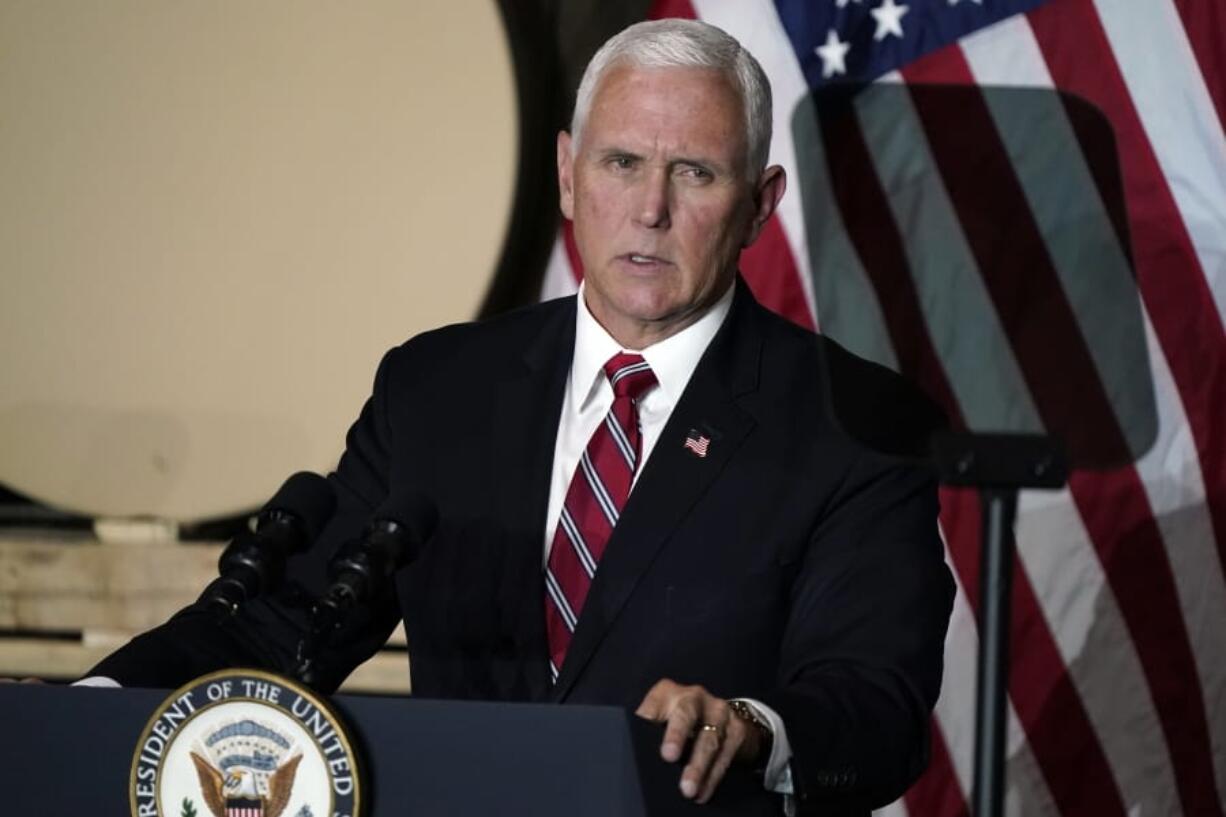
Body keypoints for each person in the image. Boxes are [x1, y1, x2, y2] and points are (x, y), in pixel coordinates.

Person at [89, 19, 954, 814]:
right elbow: (279, 624)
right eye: (621, 163)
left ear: (759, 205)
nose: (650, 208)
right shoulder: (438, 388)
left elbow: (878, 702)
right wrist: (79, 710)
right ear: (568, 175)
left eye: (694, 172)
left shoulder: (854, 424)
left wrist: (755, 727)